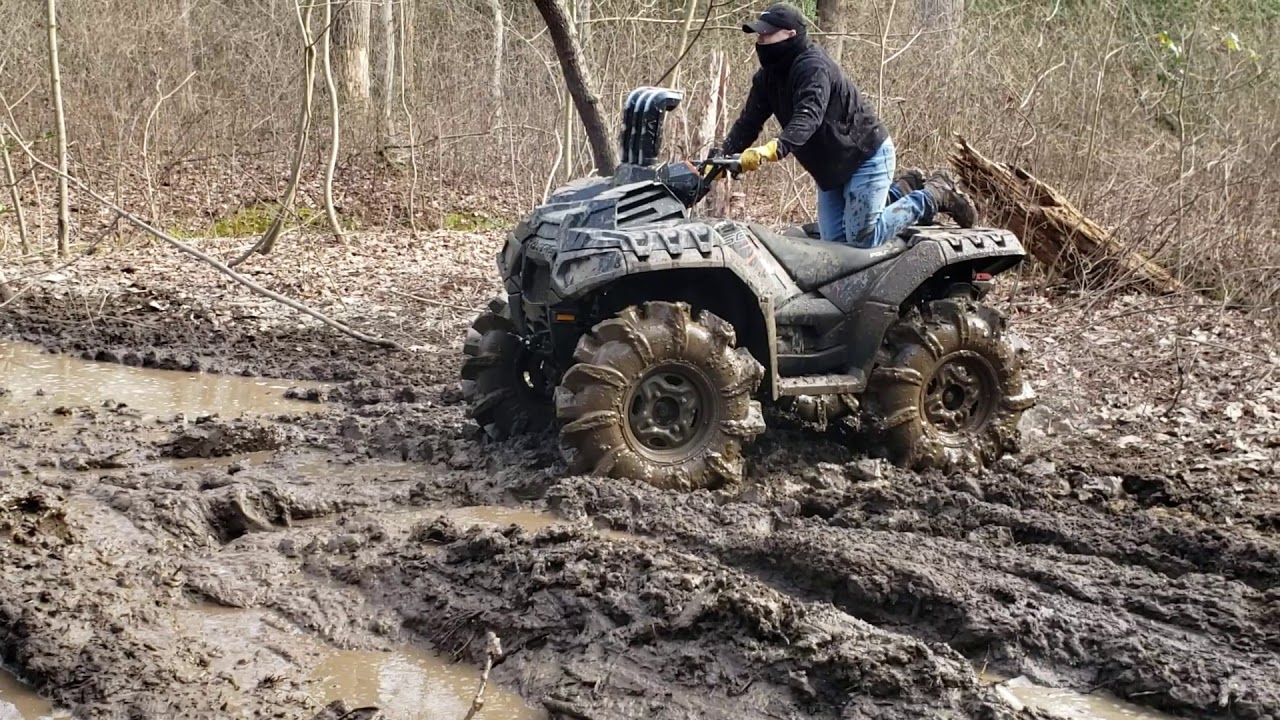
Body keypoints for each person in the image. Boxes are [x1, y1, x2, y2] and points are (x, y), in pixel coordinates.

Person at [717, 3, 977, 248]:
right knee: (837, 246)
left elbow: (808, 116)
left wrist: (774, 149)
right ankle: (902, 190)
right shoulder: (767, 79)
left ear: (790, 34)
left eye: (766, 35)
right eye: (758, 36)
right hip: (831, 170)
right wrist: (717, 160)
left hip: (865, 156)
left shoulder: (812, 67)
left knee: (862, 239)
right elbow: (747, 123)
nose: (760, 41)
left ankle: (933, 195)